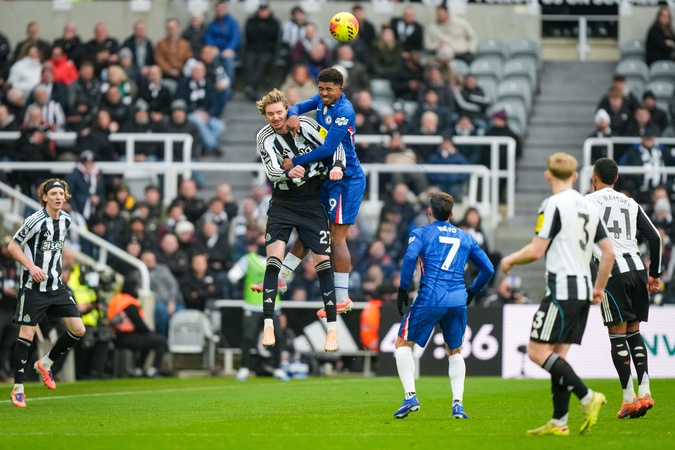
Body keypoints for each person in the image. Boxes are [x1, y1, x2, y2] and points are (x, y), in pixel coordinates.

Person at [500, 152, 615, 436]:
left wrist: (510, 259)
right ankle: (560, 421)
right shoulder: (589, 207)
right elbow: (608, 253)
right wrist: (599, 288)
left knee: (537, 352)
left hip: (562, 289)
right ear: (575, 176)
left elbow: (536, 250)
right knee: (558, 357)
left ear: (547, 175)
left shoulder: (552, 204)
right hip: (583, 290)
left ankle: (587, 396)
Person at [271, 68, 367, 318]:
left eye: (329, 90)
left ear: (341, 90)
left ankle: (342, 297)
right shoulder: (321, 100)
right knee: (312, 229)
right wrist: (293, 114)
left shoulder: (345, 111)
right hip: (326, 177)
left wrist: (295, 161)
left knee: (337, 237)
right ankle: (281, 278)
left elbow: (328, 148)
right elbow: (297, 106)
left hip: (346, 179)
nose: (324, 93)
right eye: (321, 88)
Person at [393, 192, 493, 419]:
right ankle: (458, 405)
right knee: (455, 351)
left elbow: (409, 258)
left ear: (429, 211)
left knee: (402, 343)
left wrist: (402, 289)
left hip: (430, 297)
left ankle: (410, 396)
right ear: (452, 213)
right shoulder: (466, 237)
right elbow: (488, 269)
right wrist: (471, 292)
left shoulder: (421, 232)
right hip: (457, 300)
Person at [254, 88, 340, 351]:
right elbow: (272, 170)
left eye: (279, 112)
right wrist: (287, 173)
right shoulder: (264, 136)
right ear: (265, 116)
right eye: (270, 114)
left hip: (312, 201)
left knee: (323, 262)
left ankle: (332, 331)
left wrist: (338, 166)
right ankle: (268, 326)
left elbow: (334, 145)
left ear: (287, 109)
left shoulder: (307, 125)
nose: (275, 117)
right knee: (273, 261)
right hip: (283, 202)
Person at [585, 157, 661, 418]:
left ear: (594, 177)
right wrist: (654, 274)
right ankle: (645, 392)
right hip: (637, 269)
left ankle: (629, 399)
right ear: (616, 179)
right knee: (634, 332)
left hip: (613, 271)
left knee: (617, 335)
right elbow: (655, 237)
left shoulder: (587, 202)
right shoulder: (630, 202)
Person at [8, 179, 86, 407]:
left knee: (79, 329)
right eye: (53, 194)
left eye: (61, 193)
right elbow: (13, 246)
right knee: (27, 334)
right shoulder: (34, 220)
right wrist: (31, 267)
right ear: (45, 197)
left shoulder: (66, 220)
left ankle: (46, 363)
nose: (58, 197)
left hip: (56, 287)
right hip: (33, 288)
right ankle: (18, 389)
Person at [227, 237, 289, 381]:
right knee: (250, 337)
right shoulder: (251, 260)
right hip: (255, 305)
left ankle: (276, 367)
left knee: (272, 337)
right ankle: (245, 367)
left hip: (269, 306)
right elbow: (232, 276)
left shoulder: (255, 259)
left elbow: (232, 277)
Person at [108, 277, 168, 378]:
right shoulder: (129, 303)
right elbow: (138, 323)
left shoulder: (117, 299)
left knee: (148, 339)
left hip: (115, 335)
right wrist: (150, 332)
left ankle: (139, 369)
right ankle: (152, 370)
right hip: (126, 336)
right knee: (160, 340)